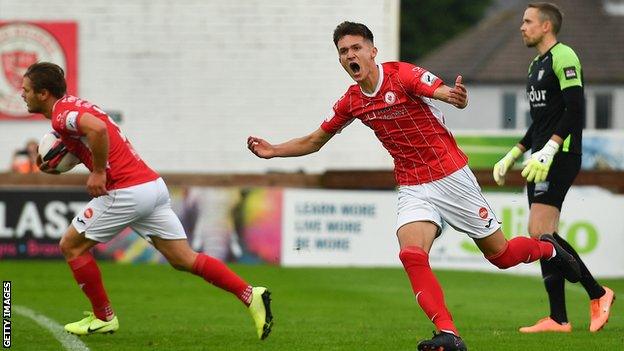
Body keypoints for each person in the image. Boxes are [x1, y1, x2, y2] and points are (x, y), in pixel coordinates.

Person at [247, 21, 582, 351]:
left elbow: (444, 92)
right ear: (340, 60)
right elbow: (315, 140)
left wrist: (456, 96)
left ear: (372, 51)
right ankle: (449, 334)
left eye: (356, 47)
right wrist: (274, 150)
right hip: (412, 184)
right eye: (344, 51)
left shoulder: (401, 75)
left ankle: (550, 249)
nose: (351, 55)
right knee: (410, 253)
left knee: (502, 256)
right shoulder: (351, 101)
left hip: (450, 176)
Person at [20, 62, 273, 339]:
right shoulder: (74, 106)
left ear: (43, 93)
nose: (23, 95)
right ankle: (251, 295)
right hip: (151, 186)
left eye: (26, 90)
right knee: (183, 259)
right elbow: (91, 135)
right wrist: (60, 157)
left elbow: (98, 131)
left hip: (126, 191)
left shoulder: (61, 116)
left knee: (71, 246)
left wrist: (99, 172)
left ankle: (104, 317)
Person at [493, 2, 614, 333]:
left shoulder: (565, 56)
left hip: (560, 154)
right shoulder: (535, 65)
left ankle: (598, 292)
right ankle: (559, 318)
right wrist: (515, 153)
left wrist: (551, 147)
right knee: (541, 234)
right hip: (538, 157)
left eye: (528, 21)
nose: (522, 27)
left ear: (546, 26)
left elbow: (575, 110)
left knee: (541, 232)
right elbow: (541, 120)